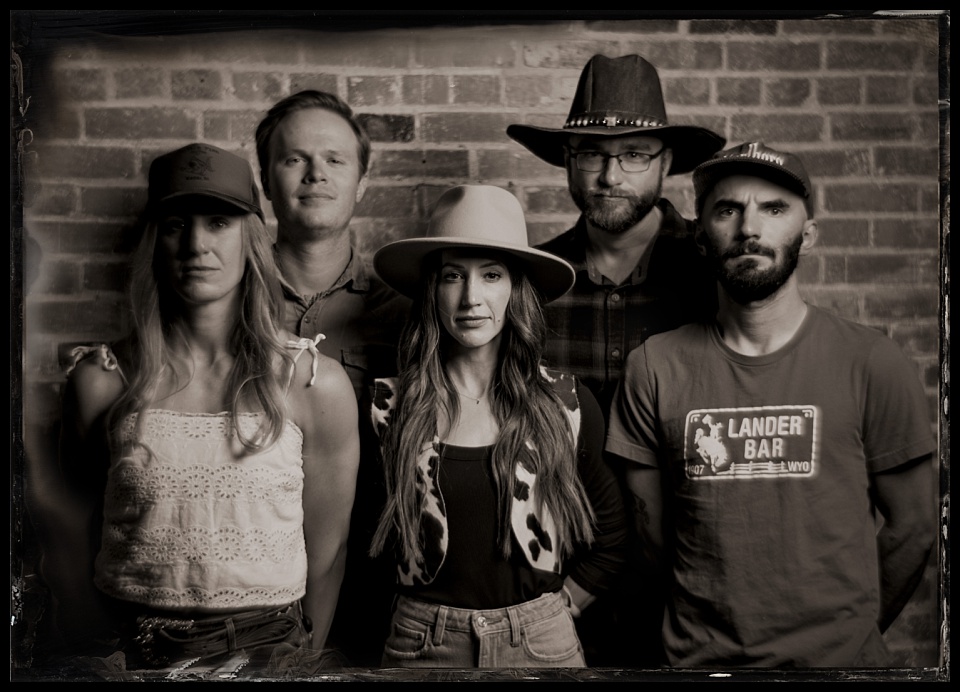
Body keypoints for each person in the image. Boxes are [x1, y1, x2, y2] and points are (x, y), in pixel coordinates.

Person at [606, 141, 937, 667]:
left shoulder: (872, 361)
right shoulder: (655, 367)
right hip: (697, 665)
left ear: (808, 234)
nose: (749, 229)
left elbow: (914, 527)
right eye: (727, 209)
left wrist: (847, 636)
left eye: (774, 209)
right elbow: (652, 536)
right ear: (700, 235)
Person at [50, 143, 360, 676]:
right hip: (125, 646)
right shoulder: (101, 379)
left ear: (250, 240)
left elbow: (327, 551)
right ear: (155, 241)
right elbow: (69, 534)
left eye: (218, 222)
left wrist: (301, 660)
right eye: (175, 224)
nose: (196, 244)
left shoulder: (312, 382)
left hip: (266, 645)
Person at [506, 52, 726, 667]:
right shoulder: (529, 284)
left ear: (667, 162)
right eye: (591, 154)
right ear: (568, 161)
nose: (610, 174)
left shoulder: (715, 276)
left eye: (634, 154)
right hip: (561, 581)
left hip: (695, 582)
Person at [366, 185, 629, 668]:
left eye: (491, 275)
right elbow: (362, 544)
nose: (471, 297)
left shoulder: (563, 403)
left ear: (515, 289)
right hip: (421, 643)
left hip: (540, 642)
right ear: (432, 289)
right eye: (452, 276)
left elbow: (610, 534)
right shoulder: (388, 407)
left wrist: (551, 613)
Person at [255, 90, 410, 666]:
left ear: (361, 183)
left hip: (381, 596)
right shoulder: (222, 310)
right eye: (294, 159)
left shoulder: (408, 316)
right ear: (266, 181)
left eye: (335, 160)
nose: (315, 174)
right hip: (244, 592)